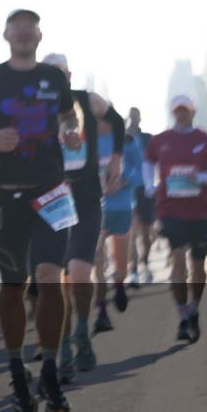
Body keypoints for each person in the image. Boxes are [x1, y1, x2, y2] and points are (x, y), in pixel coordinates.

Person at [0, 10, 79, 412]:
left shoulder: (53, 79)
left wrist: (71, 130)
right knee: (14, 286)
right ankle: (17, 371)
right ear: (5, 35)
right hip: (7, 197)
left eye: (30, 26)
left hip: (52, 192)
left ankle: (49, 367)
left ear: (39, 34)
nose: (23, 32)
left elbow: (70, 114)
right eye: (16, 26)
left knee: (51, 278)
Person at [39, 53, 124, 383]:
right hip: (51, 201)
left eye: (61, 73)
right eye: (50, 74)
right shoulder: (34, 111)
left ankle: (81, 330)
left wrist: (115, 159)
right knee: (53, 278)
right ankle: (61, 346)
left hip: (87, 199)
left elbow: (115, 121)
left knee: (78, 273)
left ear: (69, 75)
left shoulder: (87, 101)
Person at [143, 95, 207, 343]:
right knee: (178, 259)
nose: (181, 114)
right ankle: (182, 314)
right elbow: (147, 162)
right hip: (169, 209)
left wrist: (200, 179)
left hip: (200, 211)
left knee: (198, 266)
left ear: (193, 111)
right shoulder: (161, 140)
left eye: (185, 111)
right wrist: (151, 185)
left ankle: (194, 308)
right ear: (173, 113)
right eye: (177, 111)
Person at [92, 116, 144, 332]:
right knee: (98, 259)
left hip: (121, 206)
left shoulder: (127, 141)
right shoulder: (87, 140)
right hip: (95, 207)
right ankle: (102, 310)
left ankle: (120, 283)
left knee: (120, 259)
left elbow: (141, 173)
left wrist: (123, 181)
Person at [126, 107, 156, 287]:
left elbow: (154, 162)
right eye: (131, 116)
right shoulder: (123, 138)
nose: (134, 119)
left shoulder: (148, 138)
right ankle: (134, 270)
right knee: (132, 231)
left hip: (146, 190)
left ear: (140, 118)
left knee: (146, 233)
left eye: (136, 116)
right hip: (130, 190)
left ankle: (145, 260)